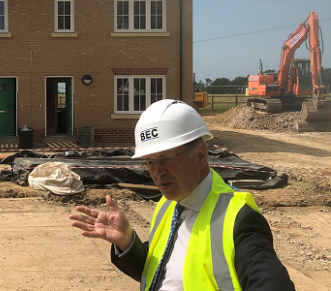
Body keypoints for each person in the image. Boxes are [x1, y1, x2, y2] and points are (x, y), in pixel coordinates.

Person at [69, 99, 295, 291]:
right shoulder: (168, 206)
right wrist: (127, 242)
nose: (157, 173)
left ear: (199, 156)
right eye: (150, 162)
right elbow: (160, 272)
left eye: (167, 159)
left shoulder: (238, 219)